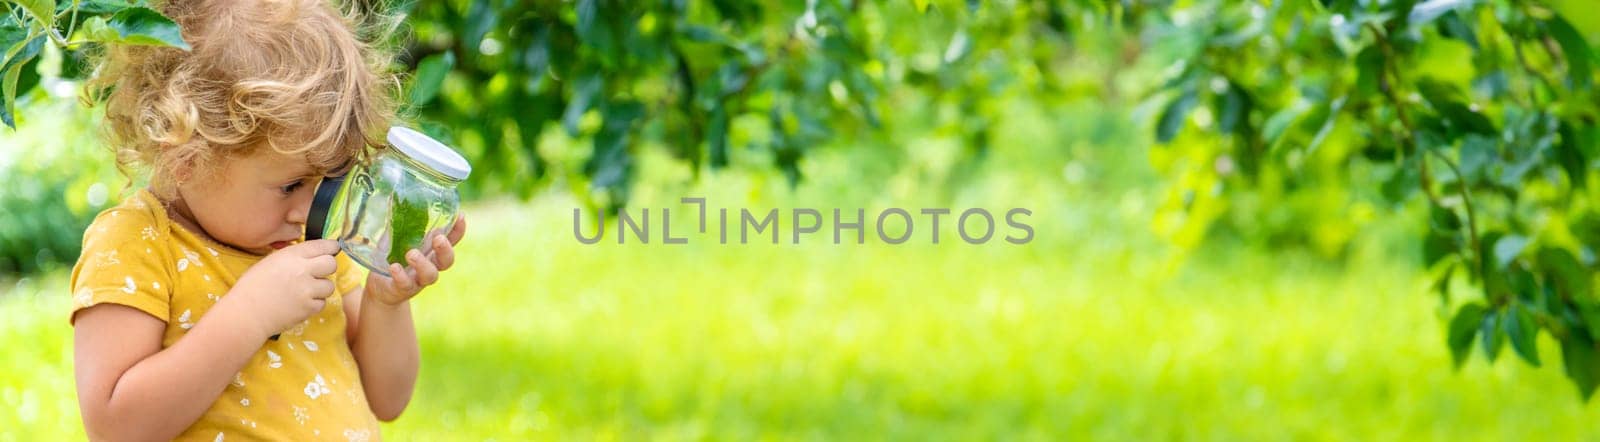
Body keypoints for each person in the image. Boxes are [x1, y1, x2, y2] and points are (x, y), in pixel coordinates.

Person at [67, 0, 465, 439]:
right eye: (291, 186)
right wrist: (250, 314)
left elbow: (389, 400)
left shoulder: (313, 245)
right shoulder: (136, 243)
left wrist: (385, 303)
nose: (309, 210)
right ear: (187, 158)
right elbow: (115, 428)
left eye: (328, 179)